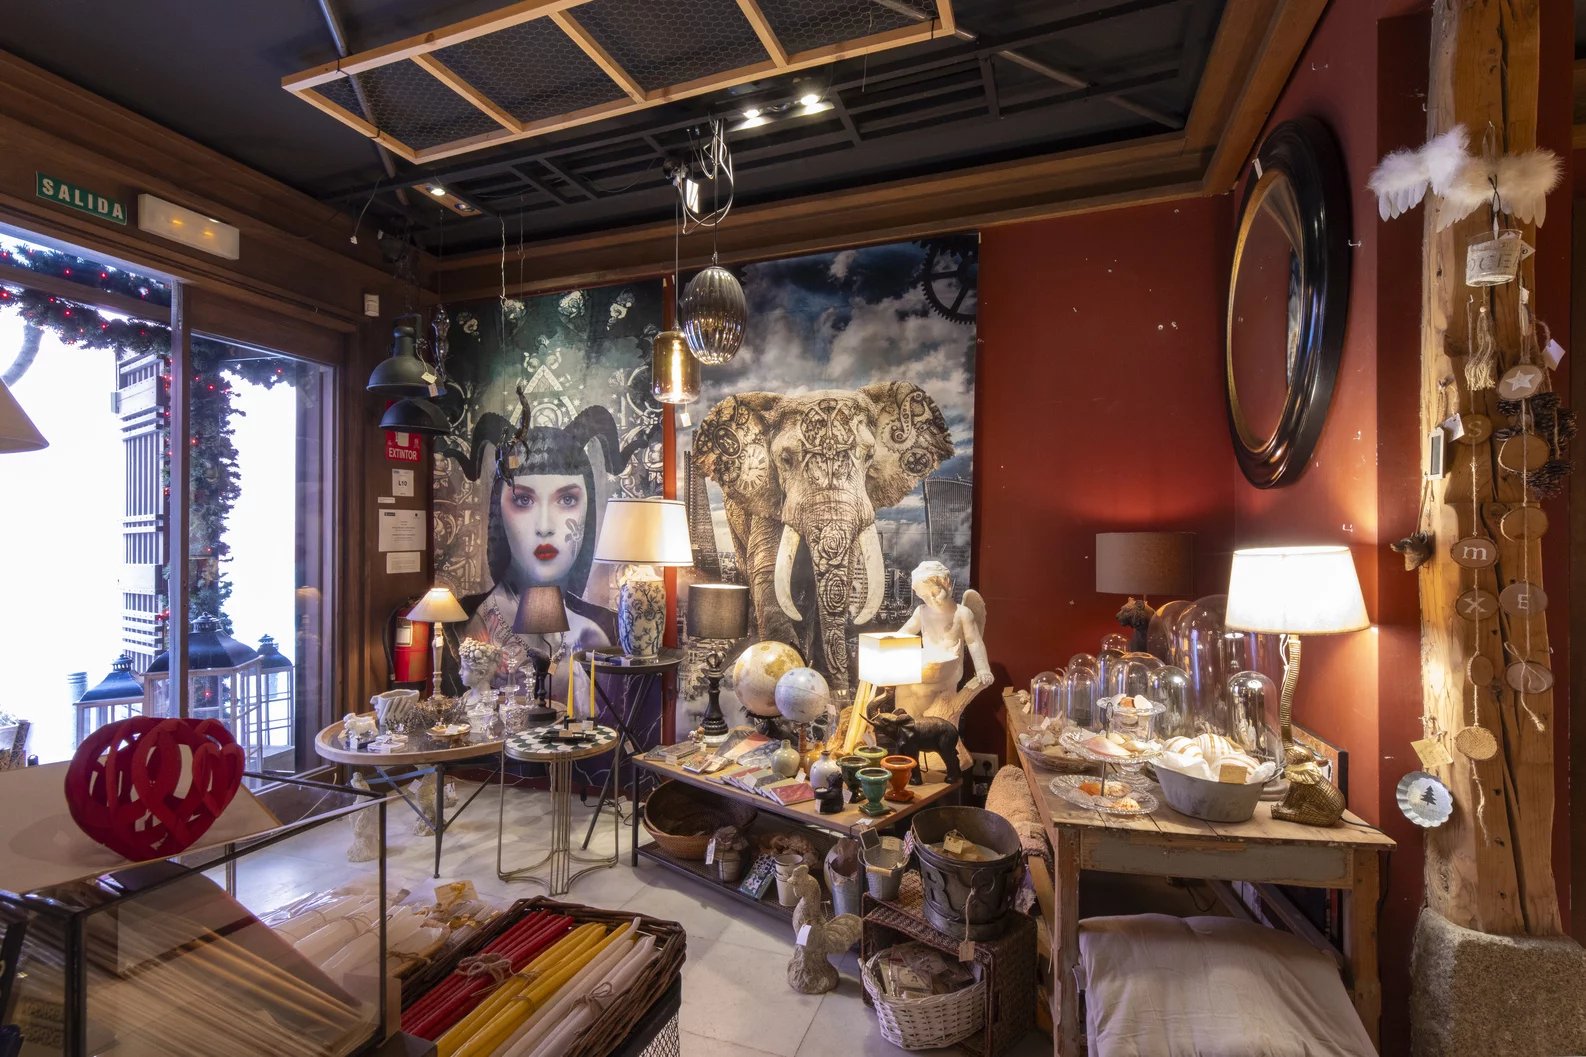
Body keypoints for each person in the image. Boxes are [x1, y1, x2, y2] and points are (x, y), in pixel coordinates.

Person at [462, 406, 637, 682]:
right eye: (523, 500)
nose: (544, 526)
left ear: (588, 509)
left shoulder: (596, 631)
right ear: (498, 511)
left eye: (567, 500)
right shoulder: (473, 624)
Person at [892, 560, 991, 770]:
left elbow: (974, 642)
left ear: (946, 583)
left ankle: (930, 737)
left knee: (924, 691)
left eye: (934, 593)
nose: (931, 600)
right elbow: (904, 633)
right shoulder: (922, 612)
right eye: (924, 596)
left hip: (949, 668)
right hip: (928, 665)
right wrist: (884, 645)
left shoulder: (962, 613)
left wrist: (982, 669)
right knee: (904, 689)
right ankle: (914, 738)